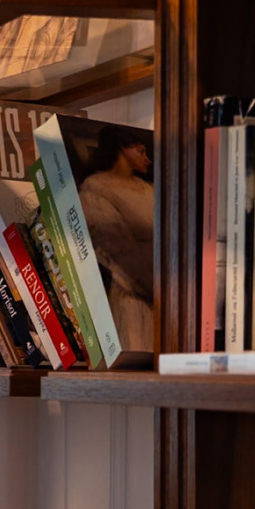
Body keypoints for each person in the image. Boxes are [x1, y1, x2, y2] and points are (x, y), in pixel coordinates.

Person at [78, 125, 157, 350]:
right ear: (122, 149)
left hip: (167, 296)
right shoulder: (96, 188)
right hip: (134, 298)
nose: (148, 159)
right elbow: (117, 251)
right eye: (140, 151)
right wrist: (160, 287)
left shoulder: (148, 189)